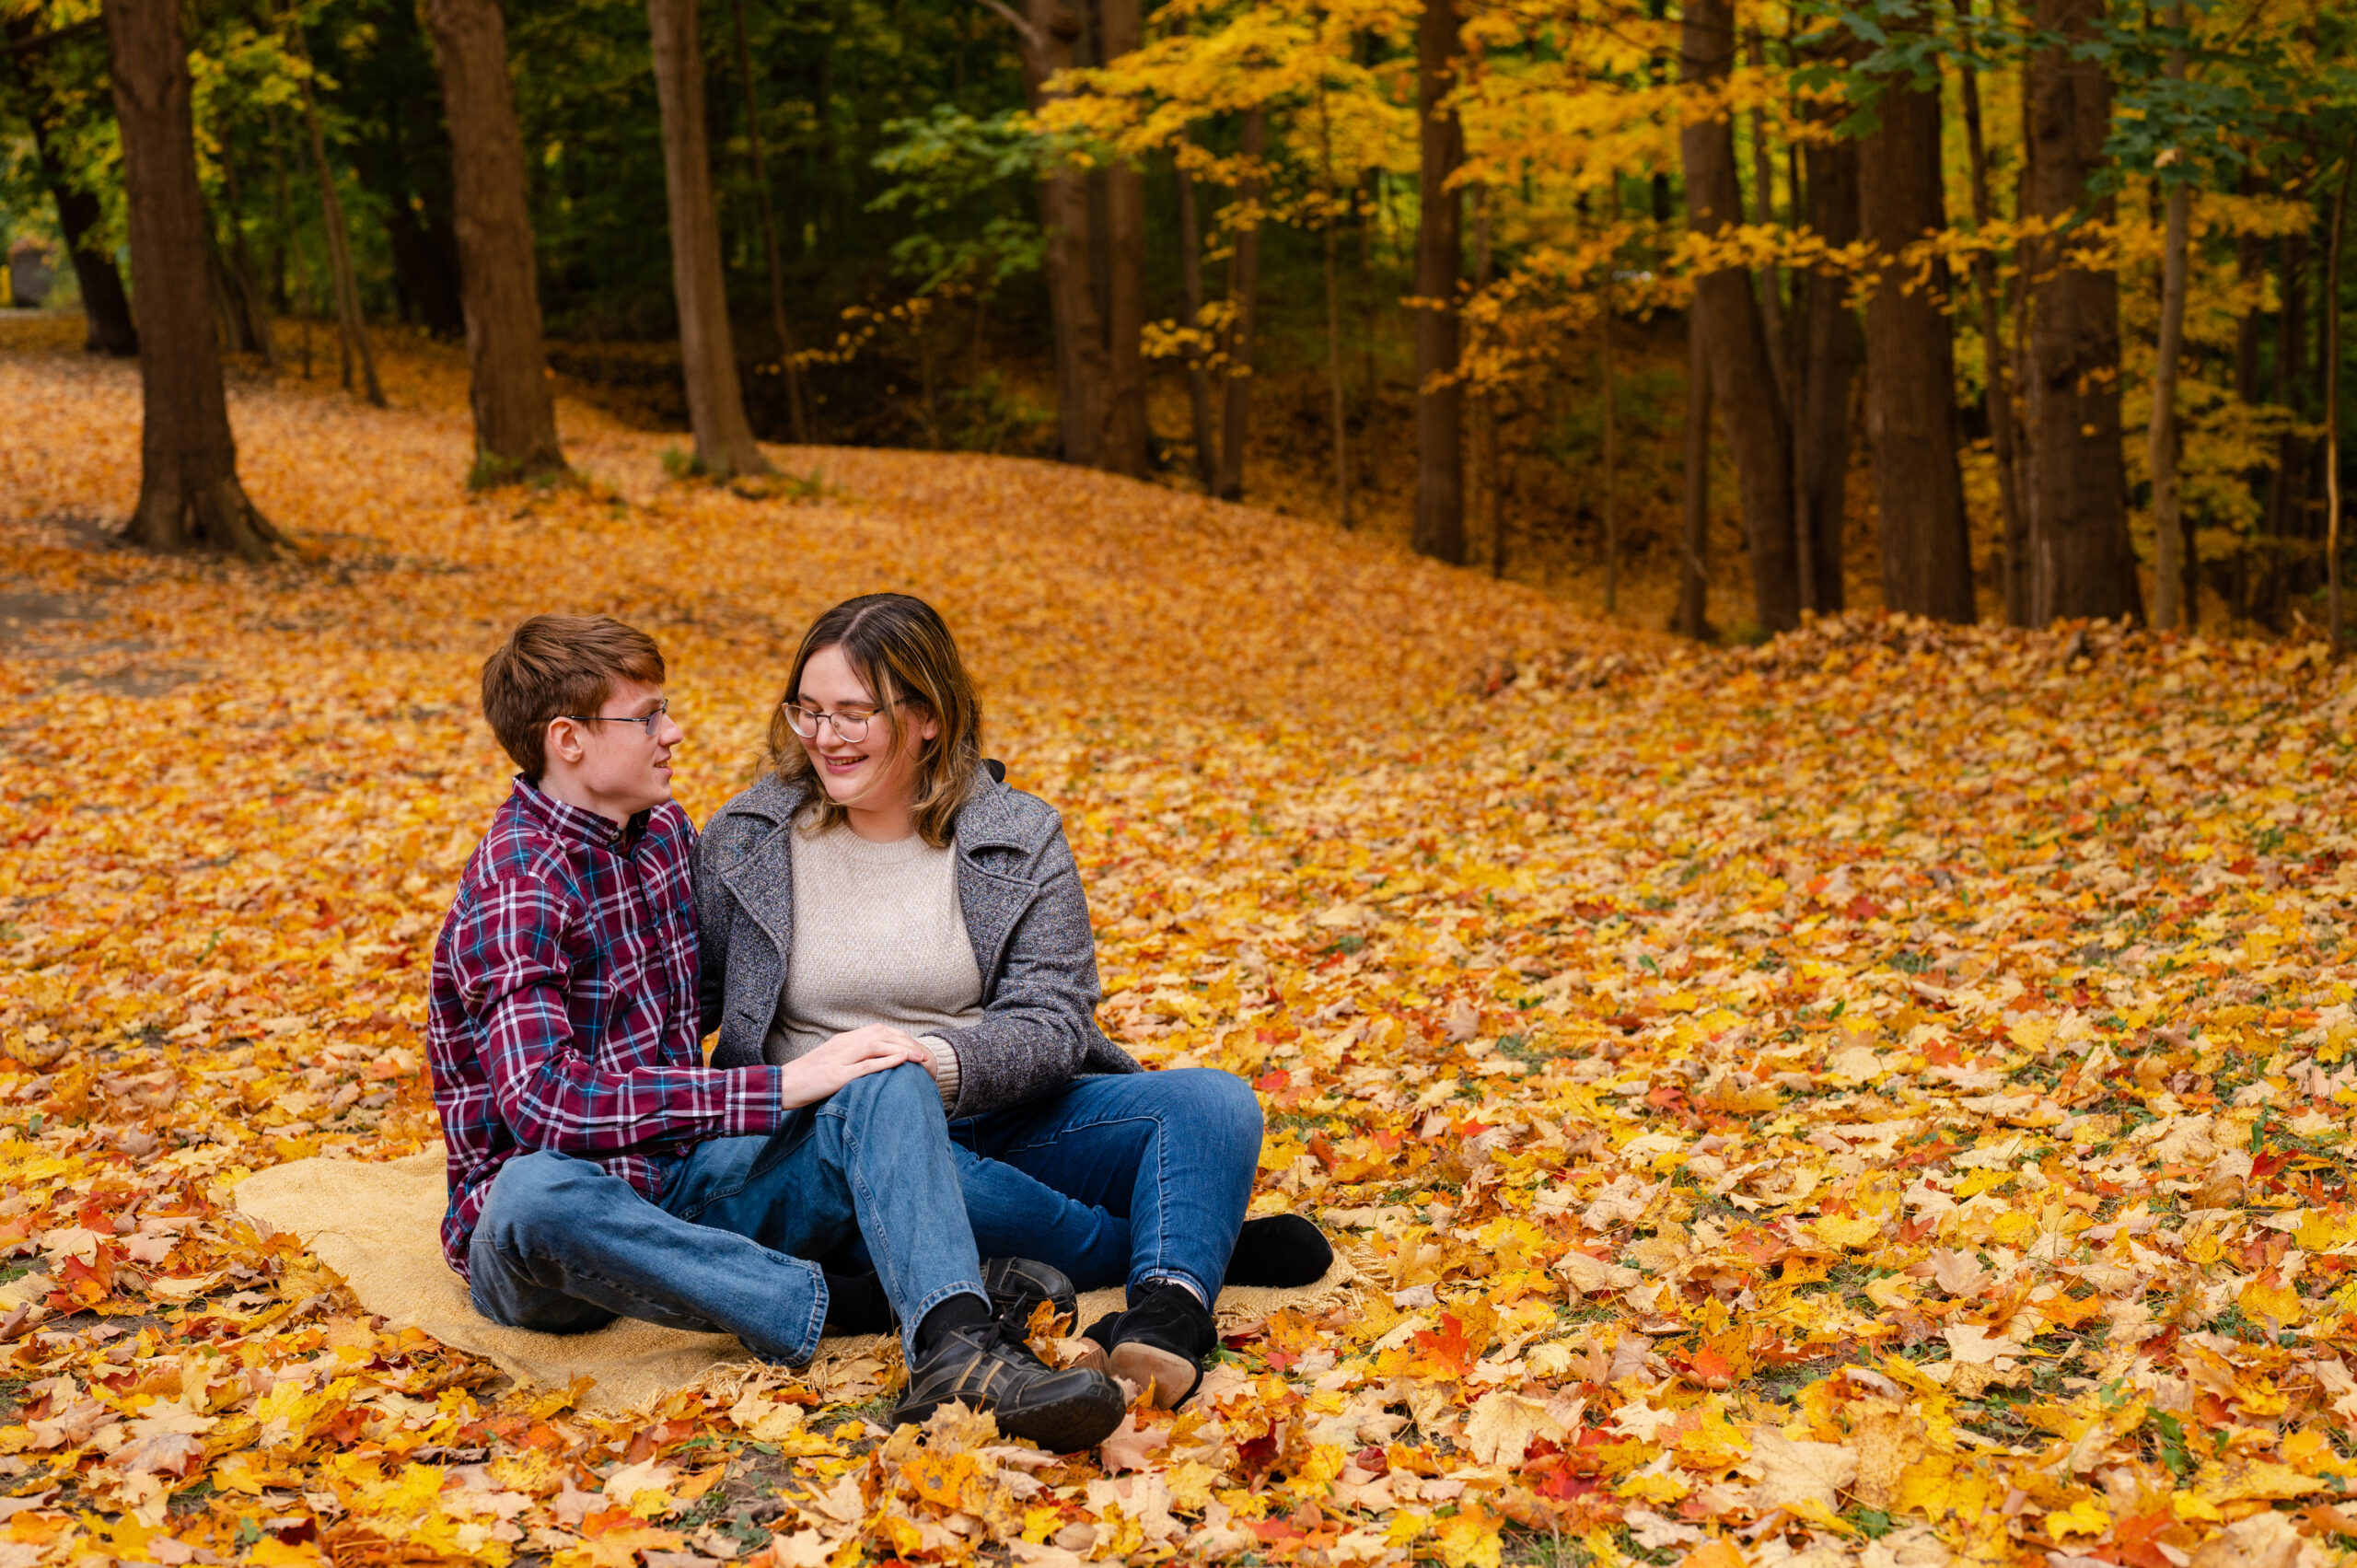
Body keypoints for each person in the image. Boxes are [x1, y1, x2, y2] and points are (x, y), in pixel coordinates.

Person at [425, 613, 1126, 1450]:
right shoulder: (520, 885)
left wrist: (845, 1051)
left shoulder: (660, 842)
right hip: (555, 1235)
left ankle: (953, 1344)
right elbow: (546, 1103)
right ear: (568, 740)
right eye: (646, 717)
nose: (673, 731)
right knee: (534, 1189)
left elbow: (725, 986)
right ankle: (849, 1303)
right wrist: (785, 1084)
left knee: (883, 1071)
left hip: (678, 1177)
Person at [695, 594, 1331, 1407]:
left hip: (1003, 1109)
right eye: (809, 711)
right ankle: (1170, 1244)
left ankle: (1167, 1316)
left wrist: (939, 1062)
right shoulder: (747, 837)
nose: (824, 736)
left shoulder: (1017, 833)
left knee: (1212, 1103)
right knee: (921, 1166)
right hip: (842, 1142)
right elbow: (689, 1000)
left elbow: (1054, 1017)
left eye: (854, 714)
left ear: (927, 715)